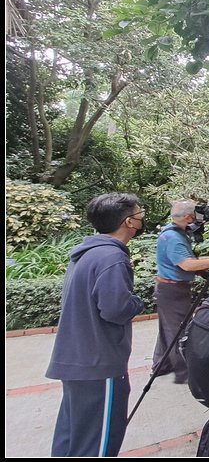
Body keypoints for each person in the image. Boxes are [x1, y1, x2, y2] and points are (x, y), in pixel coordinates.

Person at [46, 193, 146, 457]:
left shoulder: (86, 253)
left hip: (76, 362)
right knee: (98, 446)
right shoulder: (111, 258)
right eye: (139, 214)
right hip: (99, 366)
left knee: (72, 441)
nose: (141, 218)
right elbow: (115, 309)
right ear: (129, 222)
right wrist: (138, 302)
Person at [151, 200, 209, 384]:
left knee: (167, 328)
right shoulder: (174, 238)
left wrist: (204, 271)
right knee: (179, 330)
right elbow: (187, 264)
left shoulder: (172, 231)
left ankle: (161, 364)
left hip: (169, 288)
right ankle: (185, 373)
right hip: (173, 290)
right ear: (189, 217)